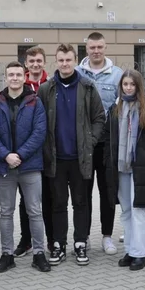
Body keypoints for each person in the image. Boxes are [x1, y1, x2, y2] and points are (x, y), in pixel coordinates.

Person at [38, 44, 105, 266]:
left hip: (80, 158)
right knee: (58, 203)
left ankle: (80, 242)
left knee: (80, 202)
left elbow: (99, 118)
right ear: (56, 61)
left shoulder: (87, 87)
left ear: (75, 60)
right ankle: (58, 244)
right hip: (55, 158)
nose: (65, 64)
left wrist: (90, 141)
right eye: (61, 60)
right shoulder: (46, 89)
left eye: (68, 60)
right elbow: (39, 121)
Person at [0, 62, 51, 273]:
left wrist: (20, 155)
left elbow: (39, 132)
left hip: (30, 166)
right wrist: (6, 155)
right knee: (6, 212)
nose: (14, 78)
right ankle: (7, 254)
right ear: (5, 78)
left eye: (18, 74)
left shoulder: (35, 102)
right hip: (5, 167)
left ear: (25, 77)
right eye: (10, 75)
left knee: (35, 211)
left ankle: (39, 254)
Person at [98, 69, 145, 271]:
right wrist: (108, 160)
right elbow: (108, 138)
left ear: (138, 86)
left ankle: (140, 254)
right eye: (125, 84)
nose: (129, 88)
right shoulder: (115, 109)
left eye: (132, 84)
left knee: (138, 209)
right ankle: (130, 251)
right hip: (120, 166)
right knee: (125, 210)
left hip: (140, 167)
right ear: (121, 86)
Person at [77, 32, 123, 256]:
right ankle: (83, 237)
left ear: (105, 47)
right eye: (92, 47)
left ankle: (107, 236)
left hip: (107, 144)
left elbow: (122, 108)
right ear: (86, 49)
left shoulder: (117, 75)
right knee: (83, 193)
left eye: (100, 47)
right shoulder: (77, 73)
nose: (96, 51)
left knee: (107, 192)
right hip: (84, 144)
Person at [12, 46, 48, 257]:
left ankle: (50, 241)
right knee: (24, 201)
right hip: (24, 153)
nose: (35, 64)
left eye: (39, 61)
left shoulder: (51, 84)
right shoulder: (19, 85)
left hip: (48, 150)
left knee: (47, 199)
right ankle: (26, 240)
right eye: (31, 61)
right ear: (26, 64)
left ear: (44, 62)